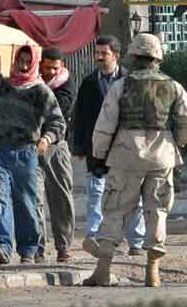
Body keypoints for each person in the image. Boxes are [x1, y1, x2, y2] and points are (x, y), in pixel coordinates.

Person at [83, 33, 187, 287]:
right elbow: (183, 125)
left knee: (115, 210)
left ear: (134, 56)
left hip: (125, 156)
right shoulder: (174, 87)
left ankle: (103, 270)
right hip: (161, 157)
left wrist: (98, 154)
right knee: (157, 211)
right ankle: (152, 270)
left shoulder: (121, 85)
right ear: (157, 57)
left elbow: (105, 124)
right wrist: (178, 144)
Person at [0, 44, 66, 264]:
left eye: (29, 61)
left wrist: (46, 139)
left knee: (26, 201)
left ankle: (28, 249)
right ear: (15, 60)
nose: (24, 65)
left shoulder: (40, 90)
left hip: (25, 152)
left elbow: (57, 121)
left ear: (35, 62)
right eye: (21, 60)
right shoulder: (4, 85)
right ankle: (1, 246)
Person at [73, 35, 145, 256]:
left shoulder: (130, 80)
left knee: (133, 193)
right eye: (97, 53)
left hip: (125, 147)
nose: (99, 57)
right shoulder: (89, 83)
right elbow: (81, 116)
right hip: (97, 147)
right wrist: (78, 147)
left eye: (104, 53)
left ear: (116, 56)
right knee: (96, 191)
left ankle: (136, 242)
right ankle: (95, 237)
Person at [35, 48, 76, 263]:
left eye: (54, 68)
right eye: (47, 67)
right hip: (32, 147)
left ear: (61, 67)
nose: (50, 72)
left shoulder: (65, 85)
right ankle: (37, 248)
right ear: (40, 65)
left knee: (61, 198)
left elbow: (58, 110)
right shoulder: (28, 83)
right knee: (35, 199)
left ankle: (63, 246)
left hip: (56, 147)